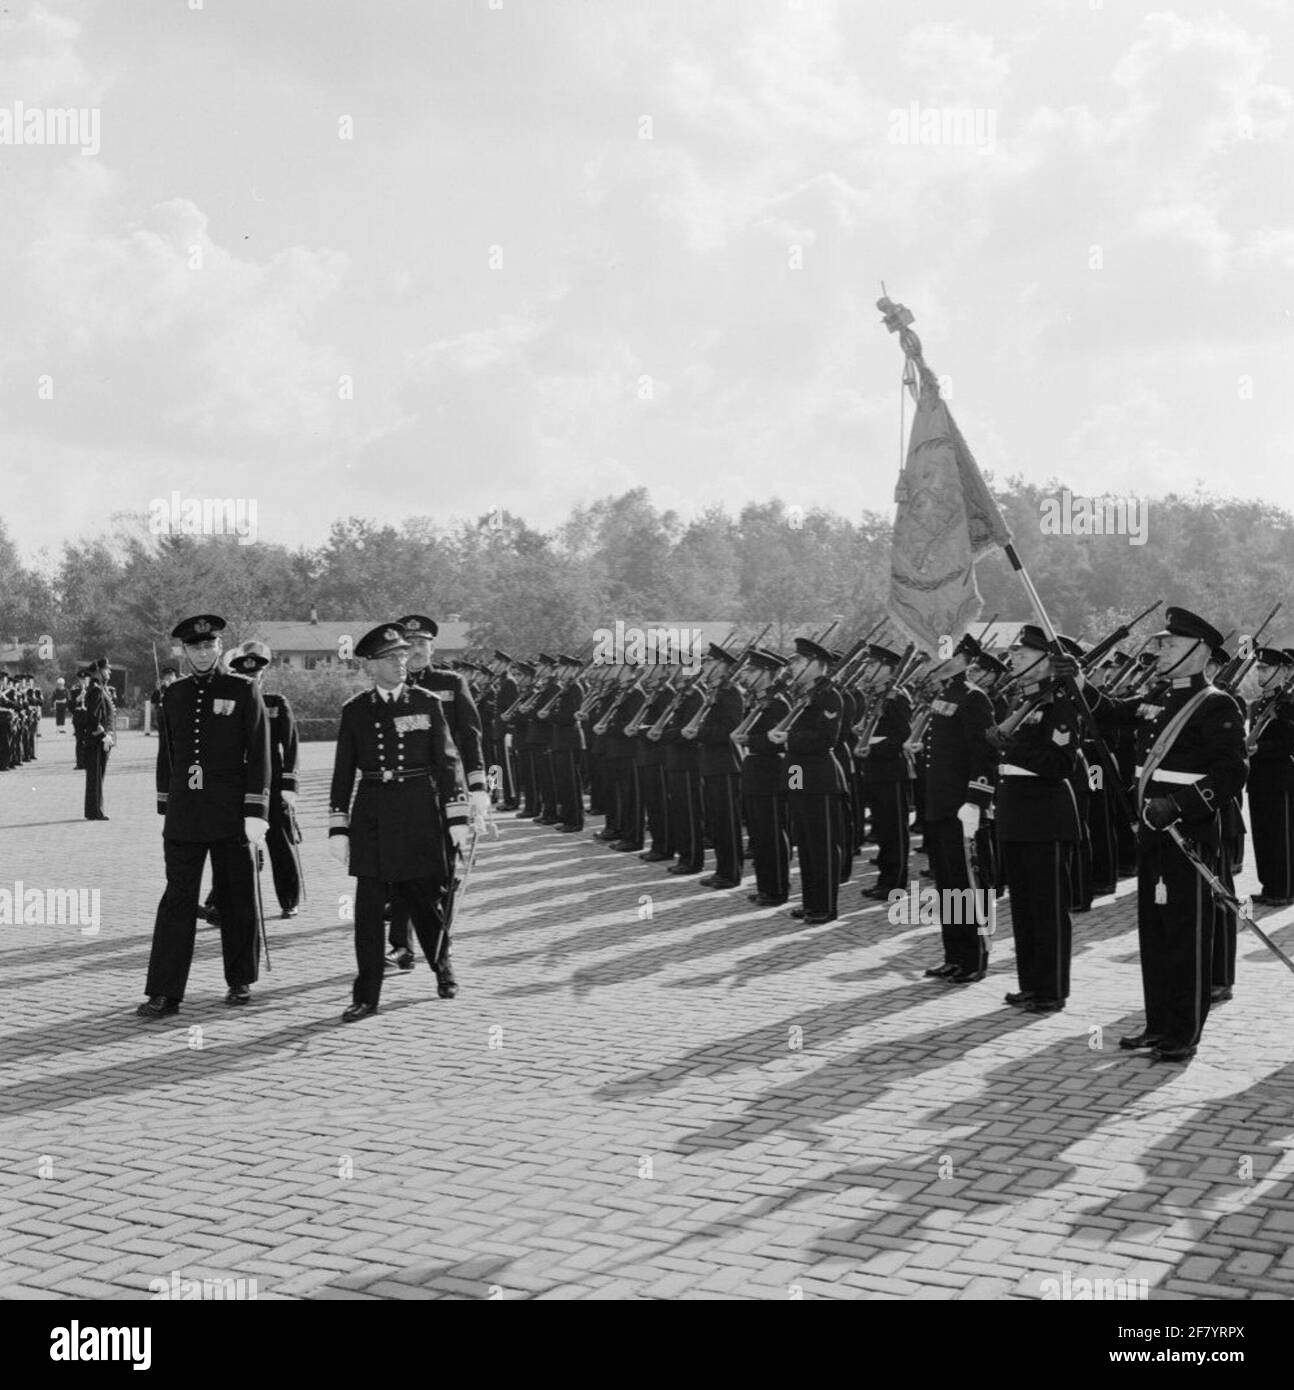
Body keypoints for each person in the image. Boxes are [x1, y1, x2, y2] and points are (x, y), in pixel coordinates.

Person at [1084, 606, 1249, 1063]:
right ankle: (1158, 1024)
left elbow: (1232, 773)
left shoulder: (1217, 704)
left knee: (1186, 935)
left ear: (1199, 652)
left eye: (1171, 645)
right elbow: (1112, 714)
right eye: (1162, 643)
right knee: (1154, 934)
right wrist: (1078, 685)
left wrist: (1177, 805)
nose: (1160, 651)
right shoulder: (1158, 695)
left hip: (1186, 834)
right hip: (1152, 834)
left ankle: (1183, 1032)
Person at [327, 622, 471, 1021]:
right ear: (371, 666)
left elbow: (448, 763)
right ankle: (366, 994)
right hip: (372, 815)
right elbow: (343, 773)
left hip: (419, 813)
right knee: (369, 911)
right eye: (391, 658)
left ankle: (442, 967)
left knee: (426, 903)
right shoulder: (356, 711)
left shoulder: (426, 702)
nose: (401, 663)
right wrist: (338, 827)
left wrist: (456, 814)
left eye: (403, 656)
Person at [137, 615, 271, 1018]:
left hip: (231, 814)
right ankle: (164, 991)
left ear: (219, 647)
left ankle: (239, 980)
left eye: (209, 646)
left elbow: (260, 755)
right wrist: (166, 802)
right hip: (185, 814)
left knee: (235, 898)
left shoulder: (243, 690)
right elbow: (169, 754)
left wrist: (256, 812)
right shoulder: (173, 695)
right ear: (184, 651)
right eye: (195, 647)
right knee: (177, 901)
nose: (202, 653)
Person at [384, 614, 489, 975]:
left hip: (446, 791)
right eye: (407, 645)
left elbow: (471, 736)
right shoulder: (391, 687)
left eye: (420, 644)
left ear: (432, 647)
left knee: (442, 872)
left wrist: (477, 787)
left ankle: (439, 938)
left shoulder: (451, 682)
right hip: (403, 792)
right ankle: (401, 945)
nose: (414, 651)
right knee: (397, 869)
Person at [993, 626, 1084, 1013]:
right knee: (1024, 907)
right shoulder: (1023, 699)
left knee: (1047, 909)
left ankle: (1051, 989)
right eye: (1014, 653)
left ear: (1047, 661)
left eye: (1024, 654)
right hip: (1016, 810)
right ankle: (1030, 983)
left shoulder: (1060, 702)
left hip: (1046, 813)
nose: (1014, 659)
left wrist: (1012, 748)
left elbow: (1061, 764)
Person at [920, 634, 1000, 983]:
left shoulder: (973, 698)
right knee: (948, 884)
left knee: (967, 883)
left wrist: (976, 802)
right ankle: (954, 954)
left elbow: (984, 756)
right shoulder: (944, 694)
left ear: (964, 658)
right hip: (939, 804)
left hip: (960, 808)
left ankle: (974, 958)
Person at [770, 638, 846, 924]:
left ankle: (824, 905)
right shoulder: (805, 693)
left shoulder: (829, 696)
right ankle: (810, 900)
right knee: (804, 839)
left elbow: (827, 738)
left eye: (799, 662)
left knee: (821, 843)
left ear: (817, 664)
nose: (794, 667)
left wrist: (789, 738)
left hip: (819, 776)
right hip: (797, 771)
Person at [228, 642, 303, 918]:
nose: (251, 679)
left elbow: (291, 745)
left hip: (271, 785)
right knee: (234, 846)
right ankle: (221, 900)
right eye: (246, 676)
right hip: (240, 785)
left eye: (255, 674)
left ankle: (289, 899)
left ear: (262, 675)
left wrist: (289, 785)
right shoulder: (231, 705)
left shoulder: (275, 703)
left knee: (279, 844)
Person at [688, 643, 745, 889]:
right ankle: (722, 869)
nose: (705, 666)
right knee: (717, 820)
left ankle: (731, 873)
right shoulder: (715, 691)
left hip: (725, 763)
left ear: (722, 665)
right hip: (712, 763)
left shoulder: (730, 692)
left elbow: (730, 729)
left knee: (727, 821)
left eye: (710, 662)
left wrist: (700, 732)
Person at [83, 659, 116, 820]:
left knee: (97, 776)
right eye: (107, 670)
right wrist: (104, 736)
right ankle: (95, 811)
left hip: (101, 739)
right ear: (99, 671)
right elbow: (94, 717)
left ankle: (94, 810)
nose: (109, 672)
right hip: (98, 740)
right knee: (95, 777)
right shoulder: (96, 690)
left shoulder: (100, 689)